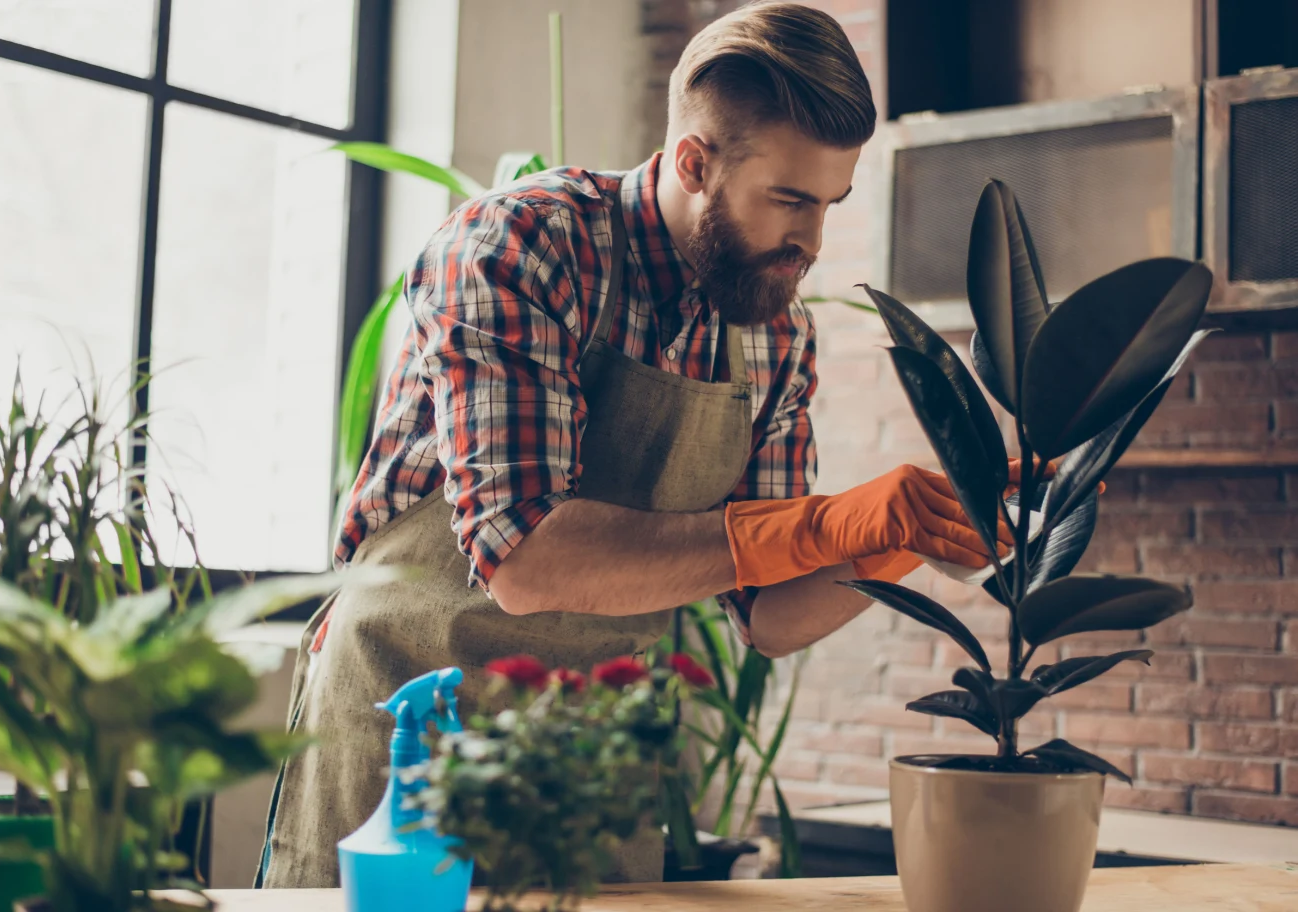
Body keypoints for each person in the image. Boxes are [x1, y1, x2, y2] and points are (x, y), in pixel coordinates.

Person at [258, 1, 1006, 888]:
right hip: (409, 733)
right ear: (694, 161)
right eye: (789, 201)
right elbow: (525, 560)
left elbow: (768, 615)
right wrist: (821, 523)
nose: (811, 243)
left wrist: (908, 536)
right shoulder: (523, 247)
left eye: (829, 204)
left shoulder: (775, 334)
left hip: (588, 766)